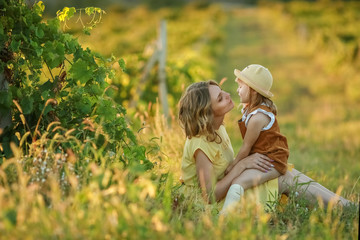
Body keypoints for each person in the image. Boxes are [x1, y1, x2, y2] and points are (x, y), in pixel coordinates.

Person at [178, 78, 350, 213]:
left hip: (229, 189)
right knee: (281, 177)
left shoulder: (217, 129)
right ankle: (344, 208)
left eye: (222, 91)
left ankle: (345, 204)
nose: (228, 94)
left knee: (284, 170)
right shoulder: (199, 145)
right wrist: (242, 165)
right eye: (220, 98)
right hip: (216, 207)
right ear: (207, 113)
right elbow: (210, 196)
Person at [221, 64, 288, 213]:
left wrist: (233, 165)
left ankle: (225, 216)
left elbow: (246, 147)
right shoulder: (250, 109)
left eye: (241, 87)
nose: (238, 90)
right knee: (238, 178)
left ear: (253, 90)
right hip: (263, 156)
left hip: (272, 161)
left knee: (238, 182)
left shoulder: (257, 118)